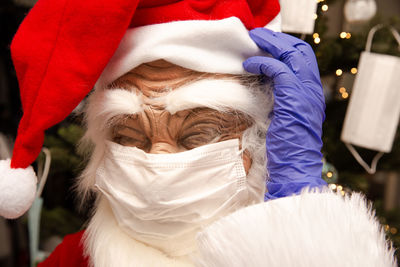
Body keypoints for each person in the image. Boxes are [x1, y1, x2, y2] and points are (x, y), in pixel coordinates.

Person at [0, 0, 396, 266]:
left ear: (260, 140)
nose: (157, 162)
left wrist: (301, 214)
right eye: (128, 137)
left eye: (198, 135)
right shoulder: (74, 260)